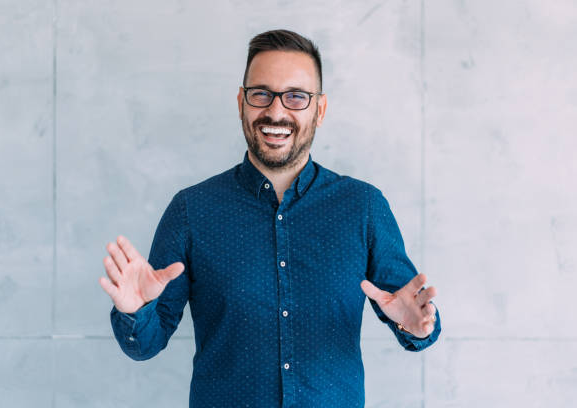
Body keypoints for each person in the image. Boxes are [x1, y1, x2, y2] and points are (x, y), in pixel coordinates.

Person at [99, 29, 441, 407]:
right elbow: (145, 343)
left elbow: (413, 311)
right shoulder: (190, 212)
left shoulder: (363, 208)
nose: (276, 112)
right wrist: (135, 311)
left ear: (320, 109)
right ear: (241, 102)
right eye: (261, 94)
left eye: (296, 96)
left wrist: (418, 326)